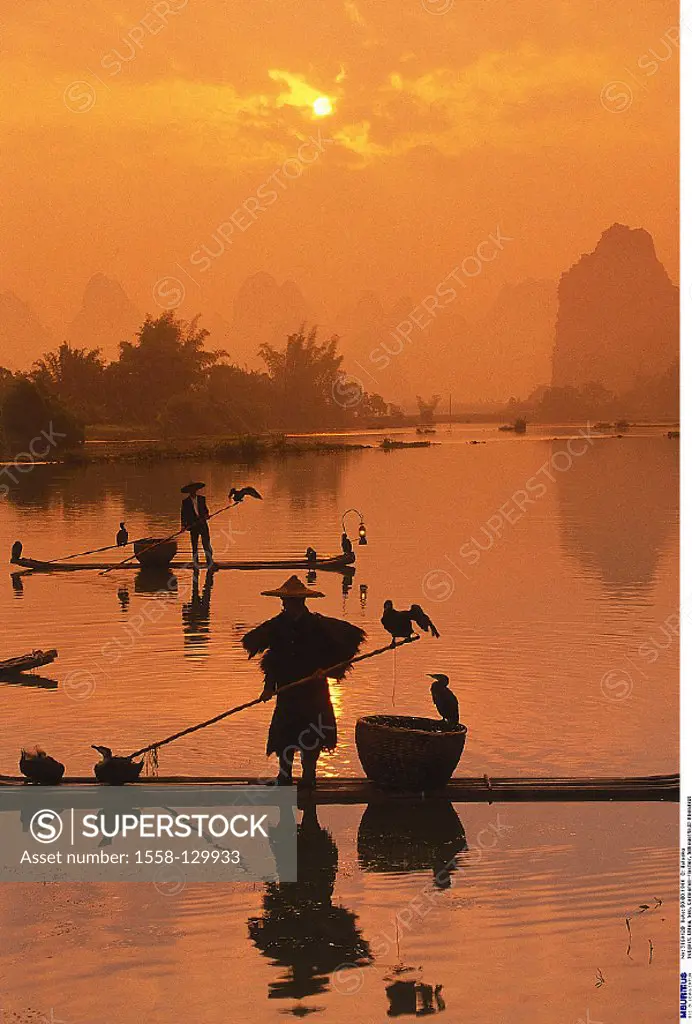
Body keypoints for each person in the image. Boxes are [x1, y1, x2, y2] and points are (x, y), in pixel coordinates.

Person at [242, 576, 366, 787]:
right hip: (287, 692)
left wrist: (326, 669)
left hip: (313, 692)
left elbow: (349, 640)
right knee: (285, 738)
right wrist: (268, 688)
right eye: (283, 601)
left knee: (311, 739)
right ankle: (284, 776)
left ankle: (309, 779)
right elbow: (271, 658)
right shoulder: (278, 626)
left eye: (287, 601)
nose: (284, 604)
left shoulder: (318, 625)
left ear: (299, 603)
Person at [180, 482, 214, 567]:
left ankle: (210, 562)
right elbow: (183, 514)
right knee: (194, 545)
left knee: (206, 544)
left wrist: (206, 515)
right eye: (191, 490)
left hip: (203, 524)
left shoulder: (202, 499)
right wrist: (183, 526)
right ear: (189, 491)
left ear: (196, 490)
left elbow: (206, 510)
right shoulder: (185, 502)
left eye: (194, 490)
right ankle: (196, 563)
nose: (193, 491)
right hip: (193, 525)